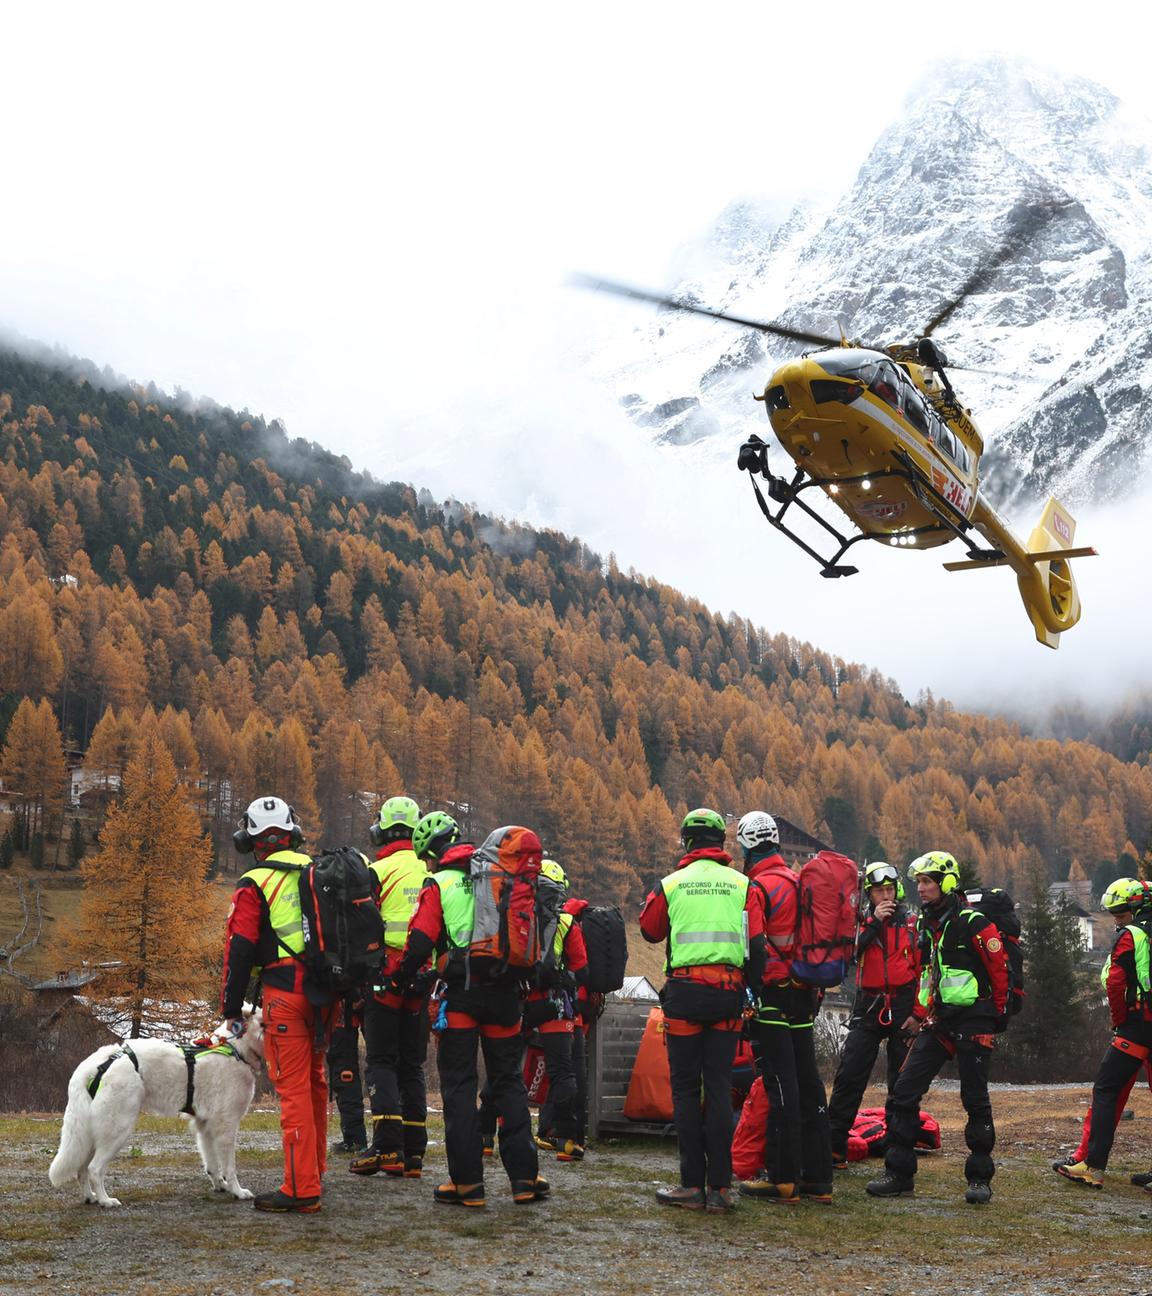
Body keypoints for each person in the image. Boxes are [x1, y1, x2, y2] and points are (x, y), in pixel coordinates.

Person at [392, 821, 547, 1208]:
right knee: (508, 1082)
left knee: (459, 1087)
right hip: (506, 993)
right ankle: (525, 1178)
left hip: (462, 994)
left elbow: (421, 942)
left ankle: (467, 1184)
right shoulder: (496, 874)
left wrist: (399, 977)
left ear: (432, 855)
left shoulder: (438, 883)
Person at [866, 851, 1008, 1205]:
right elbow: (928, 975)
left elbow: (999, 970)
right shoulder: (930, 926)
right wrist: (919, 1014)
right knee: (904, 1091)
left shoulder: (973, 923)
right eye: (918, 883)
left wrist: (995, 1014)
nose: (921, 889)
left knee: (974, 1099)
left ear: (946, 882)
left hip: (974, 1019)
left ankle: (979, 1179)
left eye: (927, 882)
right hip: (939, 1021)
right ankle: (898, 1174)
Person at [639, 807, 762, 1214]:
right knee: (721, 1085)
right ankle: (721, 1190)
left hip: (685, 996)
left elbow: (649, 930)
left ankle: (691, 1185)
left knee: (688, 1092)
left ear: (687, 842)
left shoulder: (671, 884)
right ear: (721, 844)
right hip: (728, 995)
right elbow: (756, 946)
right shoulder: (744, 885)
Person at [221, 796, 332, 1213]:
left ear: (249, 840)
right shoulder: (318, 871)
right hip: (326, 995)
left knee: (293, 1090)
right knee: (316, 1081)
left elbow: (240, 950)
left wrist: (232, 1009)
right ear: (293, 834)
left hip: (285, 996)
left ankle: (301, 1189)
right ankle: (314, 1170)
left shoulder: (254, 884)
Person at [736, 810, 834, 1205]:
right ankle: (819, 1180)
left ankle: (783, 1178)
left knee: (780, 1083)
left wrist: (751, 989)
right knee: (809, 1083)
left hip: (773, 994)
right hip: (804, 994)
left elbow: (754, 945)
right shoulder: (800, 881)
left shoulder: (757, 886)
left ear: (745, 846)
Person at [350, 796, 431, 1179]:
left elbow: (362, 926)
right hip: (422, 975)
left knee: (381, 1060)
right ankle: (414, 1154)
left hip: (383, 977)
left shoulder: (374, 870)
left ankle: (387, 1148)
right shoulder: (430, 869)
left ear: (380, 830)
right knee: (412, 1064)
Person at [1055, 878, 1152, 1190]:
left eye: (1121, 911)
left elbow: (1115, 981)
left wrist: (1119, 1020)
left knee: (1107, 1089)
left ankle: (1092, 1166)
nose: (1116, 917)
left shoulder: (1132, 934)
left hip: (1139, 1024)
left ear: (1138, 907)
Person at [827, 861, 920, 1168]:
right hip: (868, 1005)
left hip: (904, 1006)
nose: (886, 897)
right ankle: (834, 1147)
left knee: (902, 1083)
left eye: (890, 890)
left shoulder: (911, 923)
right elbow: (848, 954)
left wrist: (918, 1014)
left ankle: (896, 1152)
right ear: (870, 895)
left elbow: (925, 970)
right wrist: (872, 924)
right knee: (850, 1075)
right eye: (879, 892)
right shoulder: (859, 922)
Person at [326, 999, 367, 1155]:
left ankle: (358, 1140)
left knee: (346, 1080)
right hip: (337, 1029)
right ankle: (350, 1138)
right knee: (341, 1083)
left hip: (344, 1029)